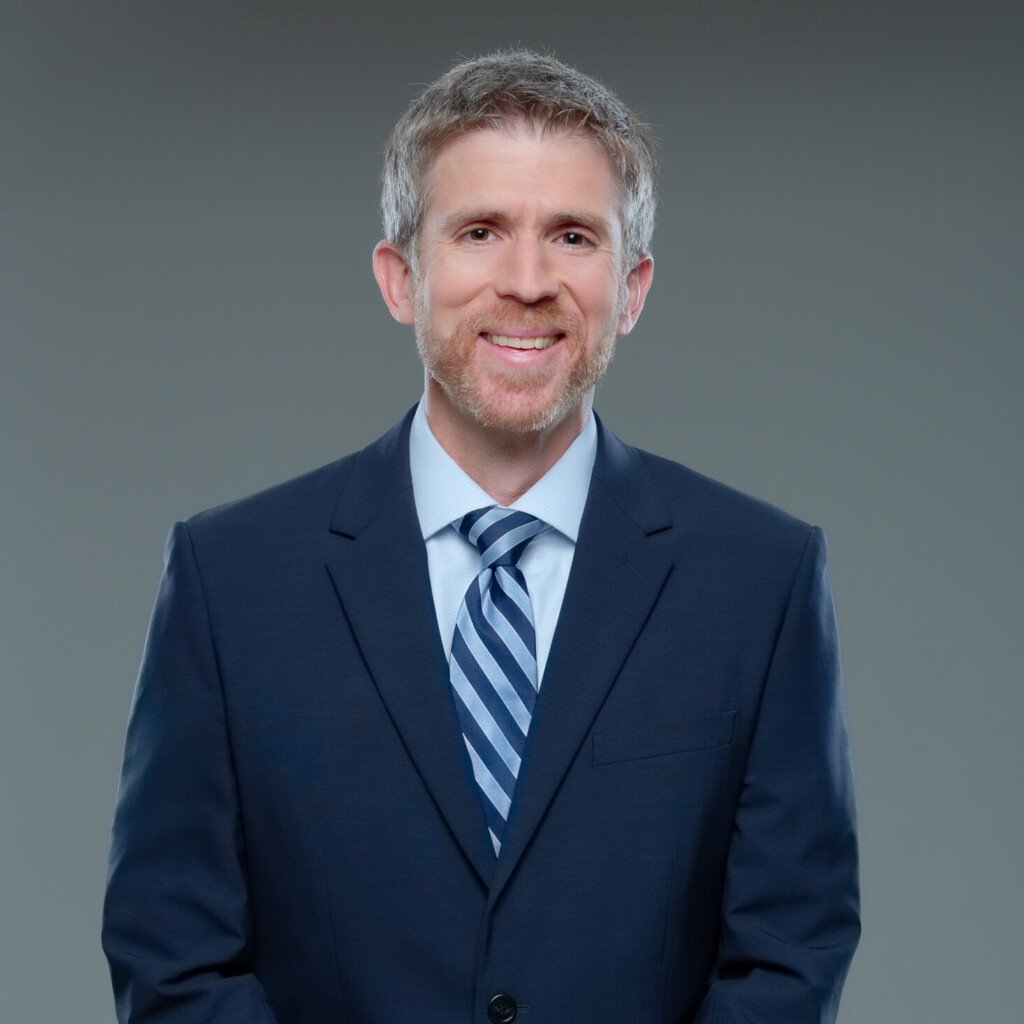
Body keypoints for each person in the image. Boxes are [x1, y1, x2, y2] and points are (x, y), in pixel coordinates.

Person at [102, 49, 859, 1024]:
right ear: (400, 278)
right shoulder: (232, 581)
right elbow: (172, 957)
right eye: (479, 231)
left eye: (573, 236)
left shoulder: (759, 581)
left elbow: (789, 954)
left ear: (631, 287)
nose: (527, 281)